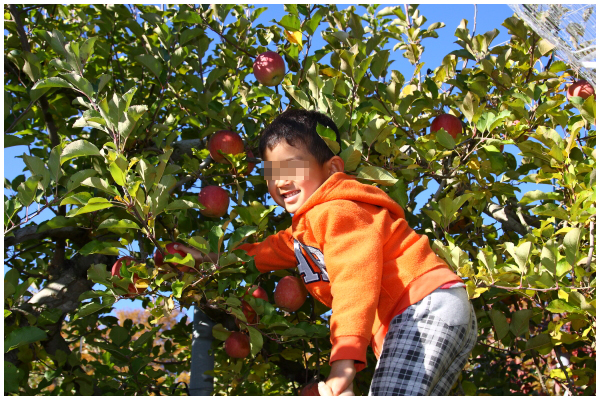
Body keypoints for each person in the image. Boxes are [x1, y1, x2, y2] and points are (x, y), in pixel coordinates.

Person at [176, 109, 478, 396]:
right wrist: (207, 258)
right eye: (270, 174)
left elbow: (354, 280)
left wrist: (343, 362)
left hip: (419, 307)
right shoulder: (306, 229)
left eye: (291, 166)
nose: (279, 181)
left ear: (332, 168)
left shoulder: (338, 212)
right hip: (430, 310)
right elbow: (263, 252)